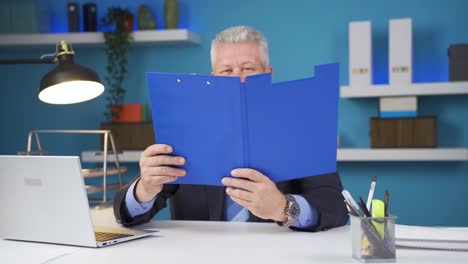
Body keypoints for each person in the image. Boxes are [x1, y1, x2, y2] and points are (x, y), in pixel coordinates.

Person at [113, 26, 348, 232]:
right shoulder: (186, 128)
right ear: (213, 78)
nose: (238, 80)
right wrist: (144, 188)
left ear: (268, 74)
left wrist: (283, 207)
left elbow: (335, 207)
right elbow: (127, 214)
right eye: (227, 71)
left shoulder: (302, 128)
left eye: (247, 68)